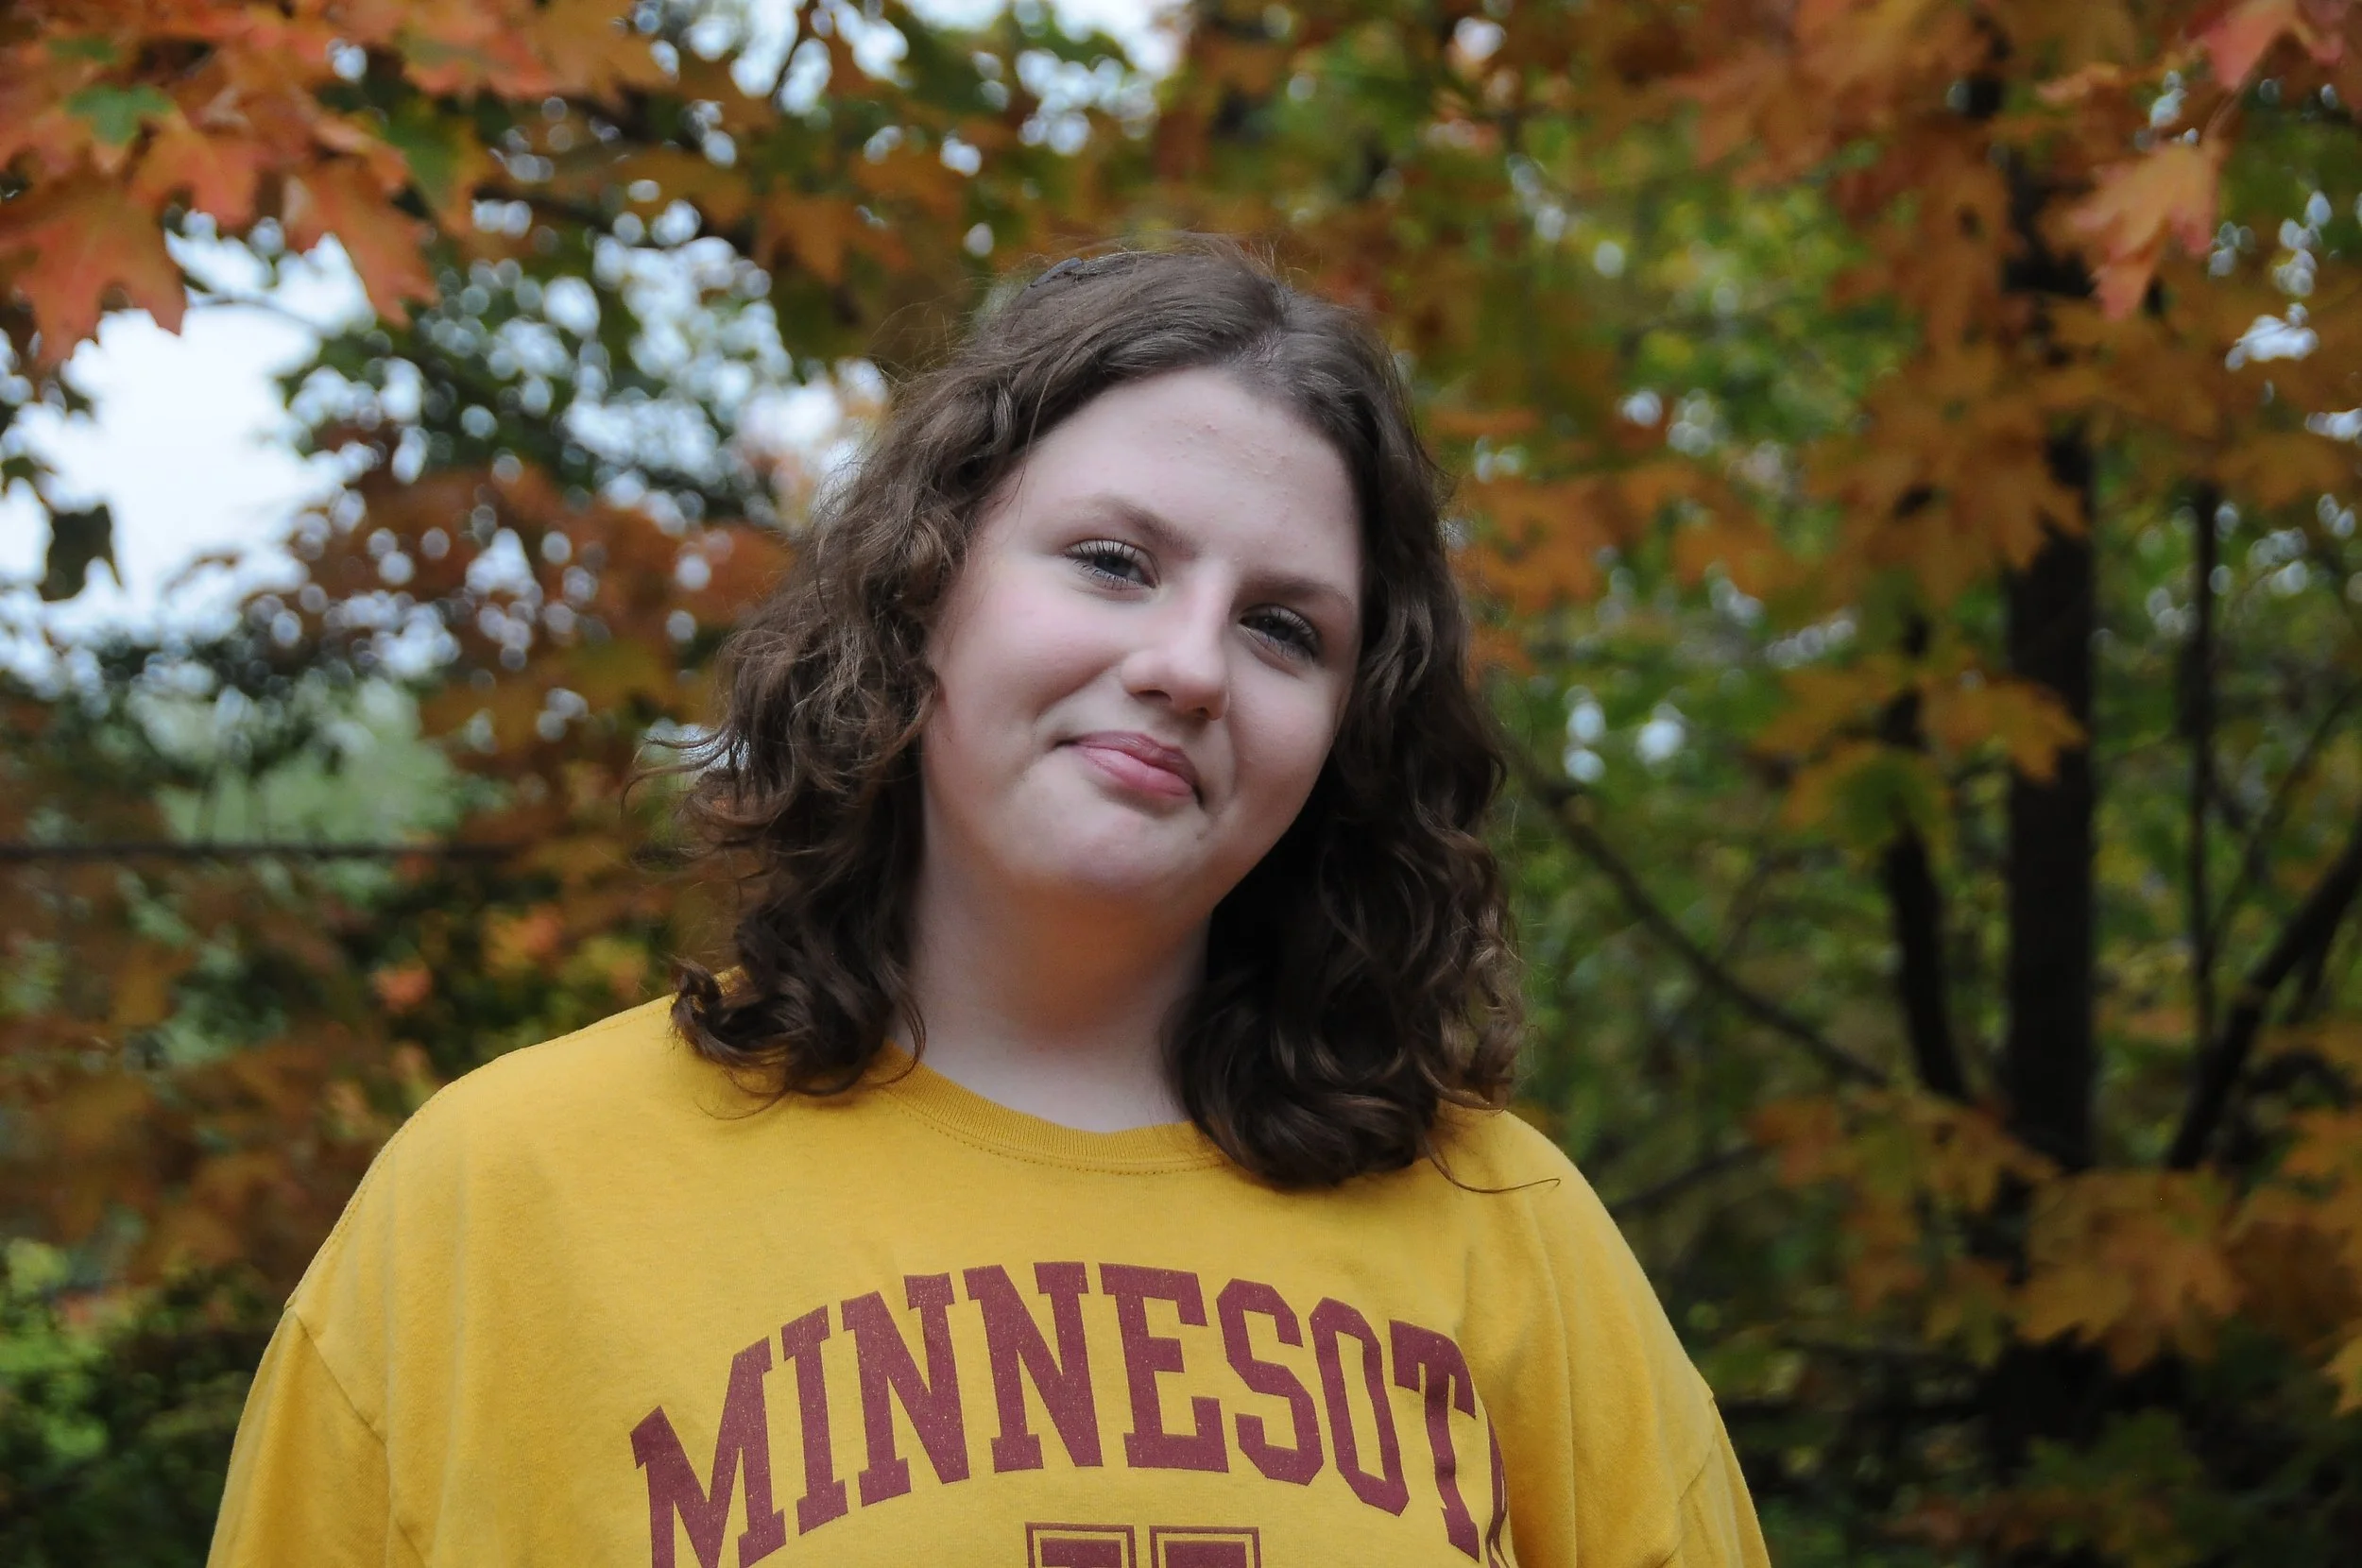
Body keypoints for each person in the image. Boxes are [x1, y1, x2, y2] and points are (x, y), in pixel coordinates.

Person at [207, 241, 1770, 1568]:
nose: (1188, 664)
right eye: (1113, 561)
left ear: (1345, 736)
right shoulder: (505, 1200)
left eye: (1286, 630)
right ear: (925, 586)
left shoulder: (1510, 1236)